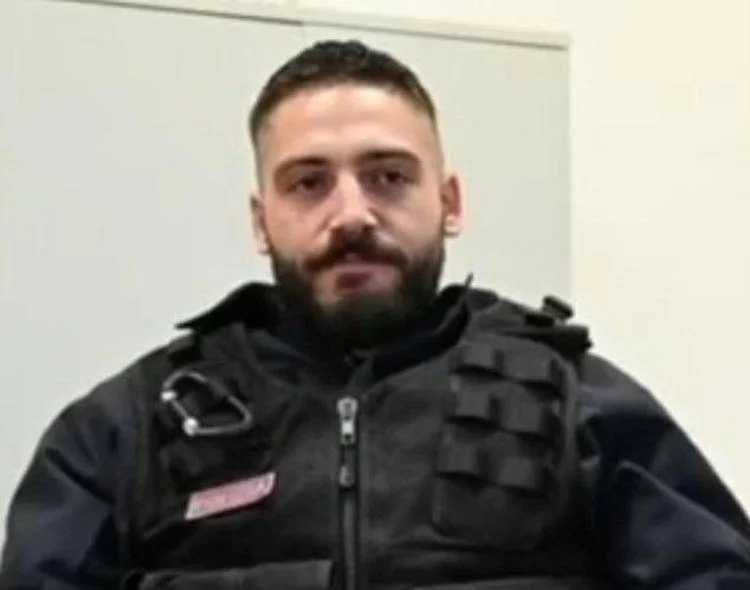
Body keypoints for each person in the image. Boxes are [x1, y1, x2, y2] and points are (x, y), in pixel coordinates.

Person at [1, 39, 749, 590]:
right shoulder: (125, 432)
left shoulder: (580, 404)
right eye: (308, 183)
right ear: (261, 220)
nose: (352, 213)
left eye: (388, 175)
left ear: (449, 203)